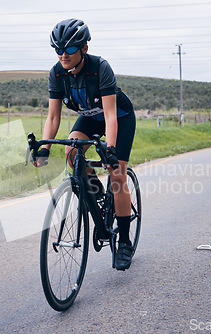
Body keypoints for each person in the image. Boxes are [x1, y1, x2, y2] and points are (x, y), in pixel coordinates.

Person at [35, 18, 136, 271]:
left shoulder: (100, 67)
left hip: (119, 119)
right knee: (71, 152)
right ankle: (95, 191)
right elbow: (53, 116)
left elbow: (111, 115)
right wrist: (44, 148)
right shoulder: (57, 73)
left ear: (84, 49)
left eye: (69, 49)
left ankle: (124, 242)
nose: (63, 55)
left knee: (117, 175)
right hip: (91, 117)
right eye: (58, 50)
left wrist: (110, 151)